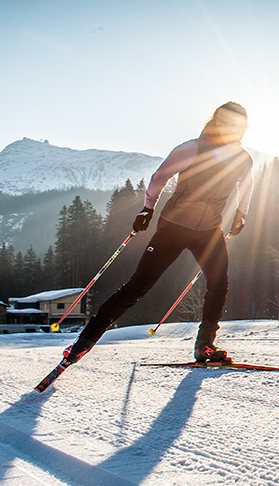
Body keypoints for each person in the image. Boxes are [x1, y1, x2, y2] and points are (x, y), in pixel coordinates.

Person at [62, 102, 254, 365]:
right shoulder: (193, 148)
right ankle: (84, 342)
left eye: (236, 124)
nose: (230, 127)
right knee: (137, 287)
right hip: (173, 227)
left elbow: (247, 184)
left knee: (219, 284)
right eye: (224, 121)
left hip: (209, 230)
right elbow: (159, 177)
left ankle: (205, 346)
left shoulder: (243, 159)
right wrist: (147, 209)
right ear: (216, 121)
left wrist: (241, 213)